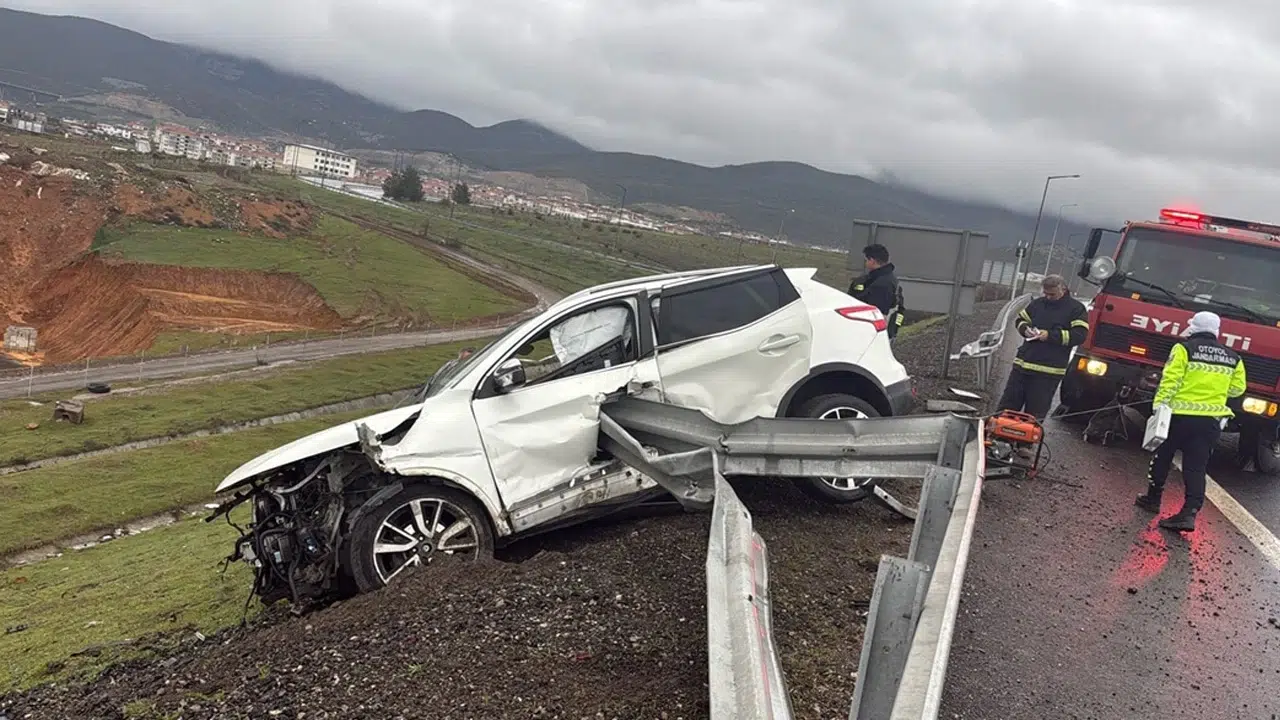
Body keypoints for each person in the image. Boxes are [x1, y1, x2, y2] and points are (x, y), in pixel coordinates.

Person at [1135, 311, 1247, 532]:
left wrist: (1159, 406)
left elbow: (1170, 380)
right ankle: (1188, 514)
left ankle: (1152, 499)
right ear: (1216, 330)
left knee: (1162, 456)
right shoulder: (1233, 357)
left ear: (1194, 327)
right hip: (1210, 422)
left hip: (1178, 417)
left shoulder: (1184, 349)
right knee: (1196, 467)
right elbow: (1238, 389)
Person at [996, 274, 1089, 421]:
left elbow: (1079, 336)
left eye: (1052, 294)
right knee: (1005, 410)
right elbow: (1020, 320)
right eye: (1045, 293)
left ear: (1063, 289)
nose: (1048, 297)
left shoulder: (1076, 309)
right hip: (1022, 367)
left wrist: (1050, 336)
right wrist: (1025, 329)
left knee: (1033, 417)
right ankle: (996, 439)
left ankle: (1024, 444)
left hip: (1048, 373)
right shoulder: (1037, 304)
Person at [848, 243, 904, 339]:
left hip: (873, 335)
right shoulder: (890, 280)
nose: (865, 263)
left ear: (872, 261)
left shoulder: (881, 285)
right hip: (885, 333)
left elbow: (873, 314)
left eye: (866, 260)